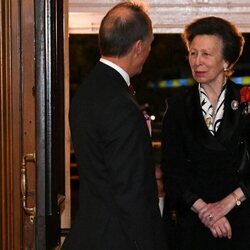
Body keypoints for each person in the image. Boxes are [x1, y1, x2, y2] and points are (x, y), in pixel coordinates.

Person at [62, 1, 167, 249]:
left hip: (90, 233)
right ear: (138, 47)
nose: (149, 51)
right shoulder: (121, 106)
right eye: (150, 44)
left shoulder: (87, 92)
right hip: (117, 239)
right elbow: (131, 195)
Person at [161, 16, 250, 250]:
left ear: (226, 61)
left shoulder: (247, 102)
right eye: (193, 53)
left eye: (206, 54)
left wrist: (228, 204)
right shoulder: (178, 106)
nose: (197, 61)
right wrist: (207, 212)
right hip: (193, 223)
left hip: (242, 220)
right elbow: (172, 172)